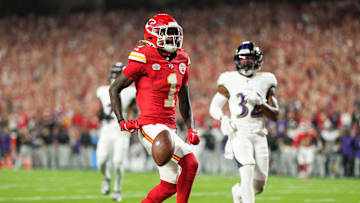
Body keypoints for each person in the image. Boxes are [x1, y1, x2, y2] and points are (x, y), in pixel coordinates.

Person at [109, 13, 200, 203]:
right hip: (150, 125)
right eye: (167, 34)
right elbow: (115, 88)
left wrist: (191, 128)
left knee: (169, 186)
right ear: (152, 35)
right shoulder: (144, 55)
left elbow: (184, 100)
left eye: (175, 34)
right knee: (190, 163)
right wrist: (122, 121)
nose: (173, 39)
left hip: (169, 126)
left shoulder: (182, 59)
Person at [209, 41, 279, 203]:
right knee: (247, 169)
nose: (246, 62)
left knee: (259, 184)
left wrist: (261, 103)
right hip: (239, 133)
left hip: (259, 134)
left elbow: (275, 115)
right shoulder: (229, 79)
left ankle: (239, 192)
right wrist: (222, 118)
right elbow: (214, 106)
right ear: (236, 60)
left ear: (258, 60)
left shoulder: (267, 80)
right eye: (242, 59)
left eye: (250, 59)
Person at [96, 62, 137, 202]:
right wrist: (100, 114)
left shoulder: (131, 92)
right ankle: (106, 177)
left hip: (121, 132)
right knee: (101, 160)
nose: (115, 77)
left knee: (118, 162)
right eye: (114, 74)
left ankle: (117, 190)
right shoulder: (102, 90)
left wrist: (133, 122)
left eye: (118, 74)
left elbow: (135, 110)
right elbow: (100, 110)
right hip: (106, 130)